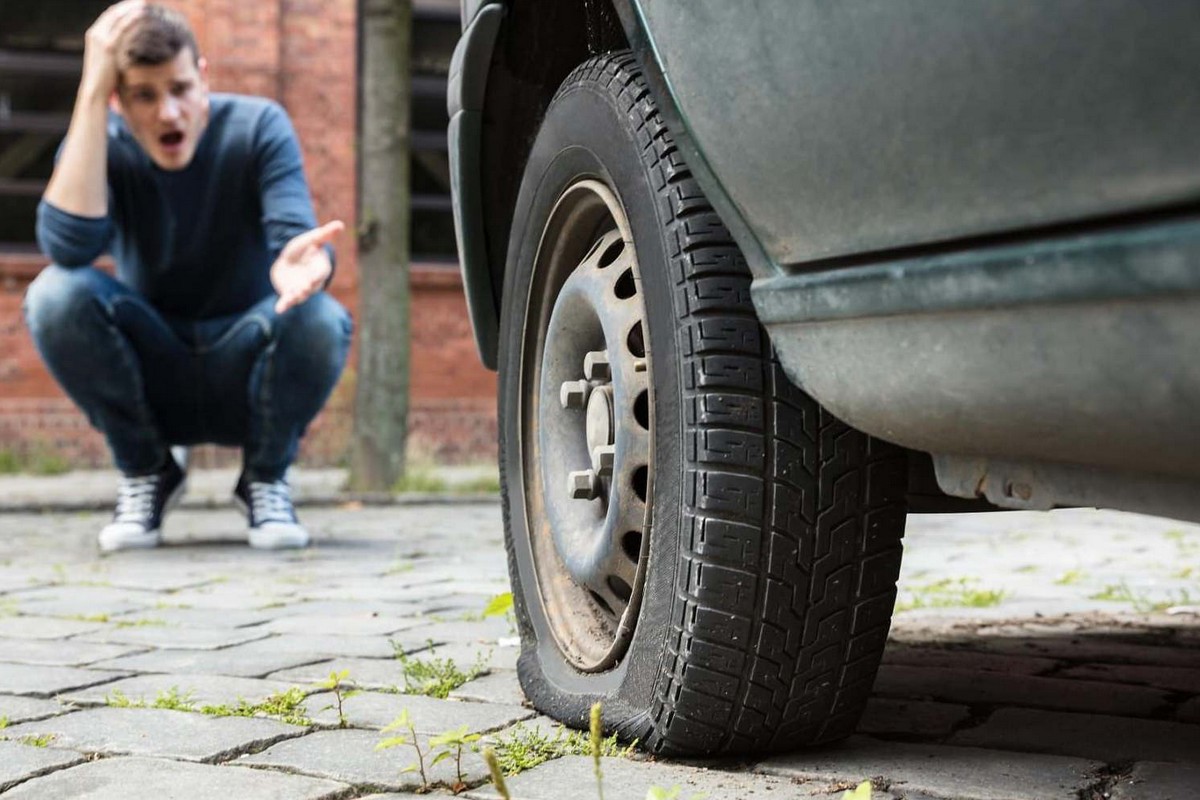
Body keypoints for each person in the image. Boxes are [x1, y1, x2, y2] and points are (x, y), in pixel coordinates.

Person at [23, 0, 352, 552]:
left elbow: (297, 237)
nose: (167, 114)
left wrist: (305, 264)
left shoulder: (257, 125)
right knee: (54, 295)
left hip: (245, 364)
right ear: (117, 100)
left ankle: (266, 478)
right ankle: (148, 472)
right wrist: (89, 95)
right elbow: (68, 247)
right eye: (143, 96)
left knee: (321, 317)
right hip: (154, 368)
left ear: (202, 76)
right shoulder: (101, 141)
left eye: (178, 89)